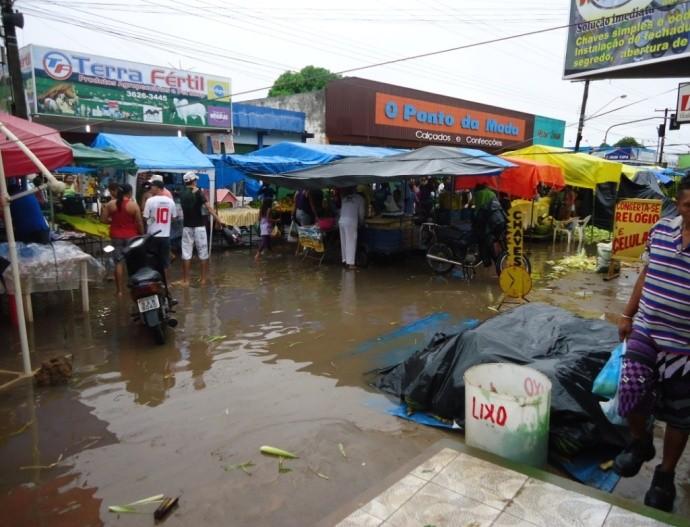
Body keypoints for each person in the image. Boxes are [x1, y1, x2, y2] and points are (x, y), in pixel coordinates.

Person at [615, 176, 690, 512]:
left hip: (686, 346)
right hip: (648, 329)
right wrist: (627, 315)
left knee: (681, 415)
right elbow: (647, 273)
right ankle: (641, 442)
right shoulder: (661, 229)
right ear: (678, 202)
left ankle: (665, 475)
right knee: (629, 390)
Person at [178, 172, 223, 285]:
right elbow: (209, 208)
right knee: (203, 253)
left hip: (187, 227)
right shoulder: (198, 192)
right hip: (199, 227)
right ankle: (203, 280)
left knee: (186, 254)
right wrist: (218, 220)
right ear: (193, 180)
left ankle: (186, 280)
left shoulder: (181, 193)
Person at [101, 183, 143, 296]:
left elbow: (103, 220)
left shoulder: (110, 204)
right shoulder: (133, 205)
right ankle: (135, 287)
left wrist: (113, 222)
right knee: (133, 262)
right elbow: (139, 222)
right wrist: (142, 234)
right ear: (129, 193)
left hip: (116, 236)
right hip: (131, 236)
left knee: (118, 262)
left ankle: (119, 291)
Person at [143, 180, 178, 284]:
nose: (150, 189)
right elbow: (174, 217)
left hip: (152, 236)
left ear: (158, 188)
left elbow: (145, 218)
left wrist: (152, 220)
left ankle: (154, 283)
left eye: (152, 187)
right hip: (165, 236)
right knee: (165, 262)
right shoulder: (170, 201)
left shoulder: (150, 200)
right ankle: (166, 284)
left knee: (152, 261)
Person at [338, 187, 365, 270]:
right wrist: (361, 222)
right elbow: (361, 213)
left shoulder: (345, 198)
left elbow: (341, 210)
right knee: (351, 242)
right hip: (351, 221)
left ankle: (345, 260)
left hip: (341, 221)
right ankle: (350, 264)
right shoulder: (360, 199)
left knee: (344, 242)